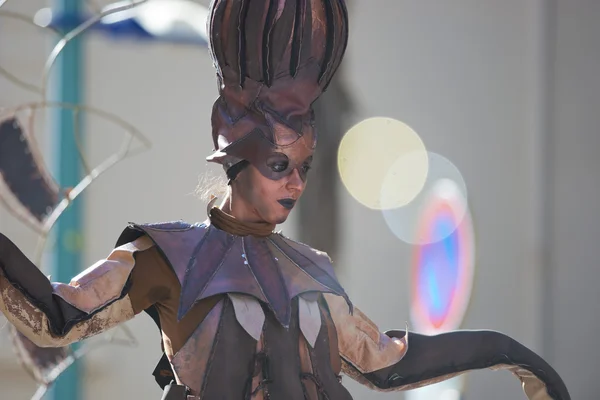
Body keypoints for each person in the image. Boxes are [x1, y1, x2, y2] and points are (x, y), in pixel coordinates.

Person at [0, 0, 570, 399]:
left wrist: (509, 351)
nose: (296, 185)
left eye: (304, 169)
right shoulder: (164, 256)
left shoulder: (313, 273)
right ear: (235, 156)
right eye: (280, 167)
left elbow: (386, 364)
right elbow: (56, 316)